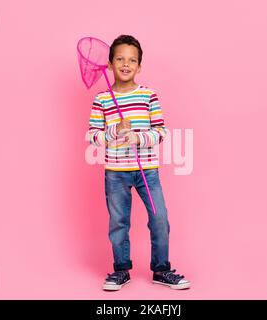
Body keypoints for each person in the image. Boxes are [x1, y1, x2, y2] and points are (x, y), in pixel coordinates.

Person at [87, 35, 190, 291]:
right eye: (119, 59)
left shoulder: (148, 96)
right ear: (110, 64)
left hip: (147, 171)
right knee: (119, 222)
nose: (125, 64)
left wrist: (138, 137)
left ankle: (161, 269)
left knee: (159, 219)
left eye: (132, 60)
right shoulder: (102, 99)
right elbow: (92, 136)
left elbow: (162, 132)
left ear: (139, 67)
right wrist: (113, 131)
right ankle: (121, 270)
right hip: (116, 173)